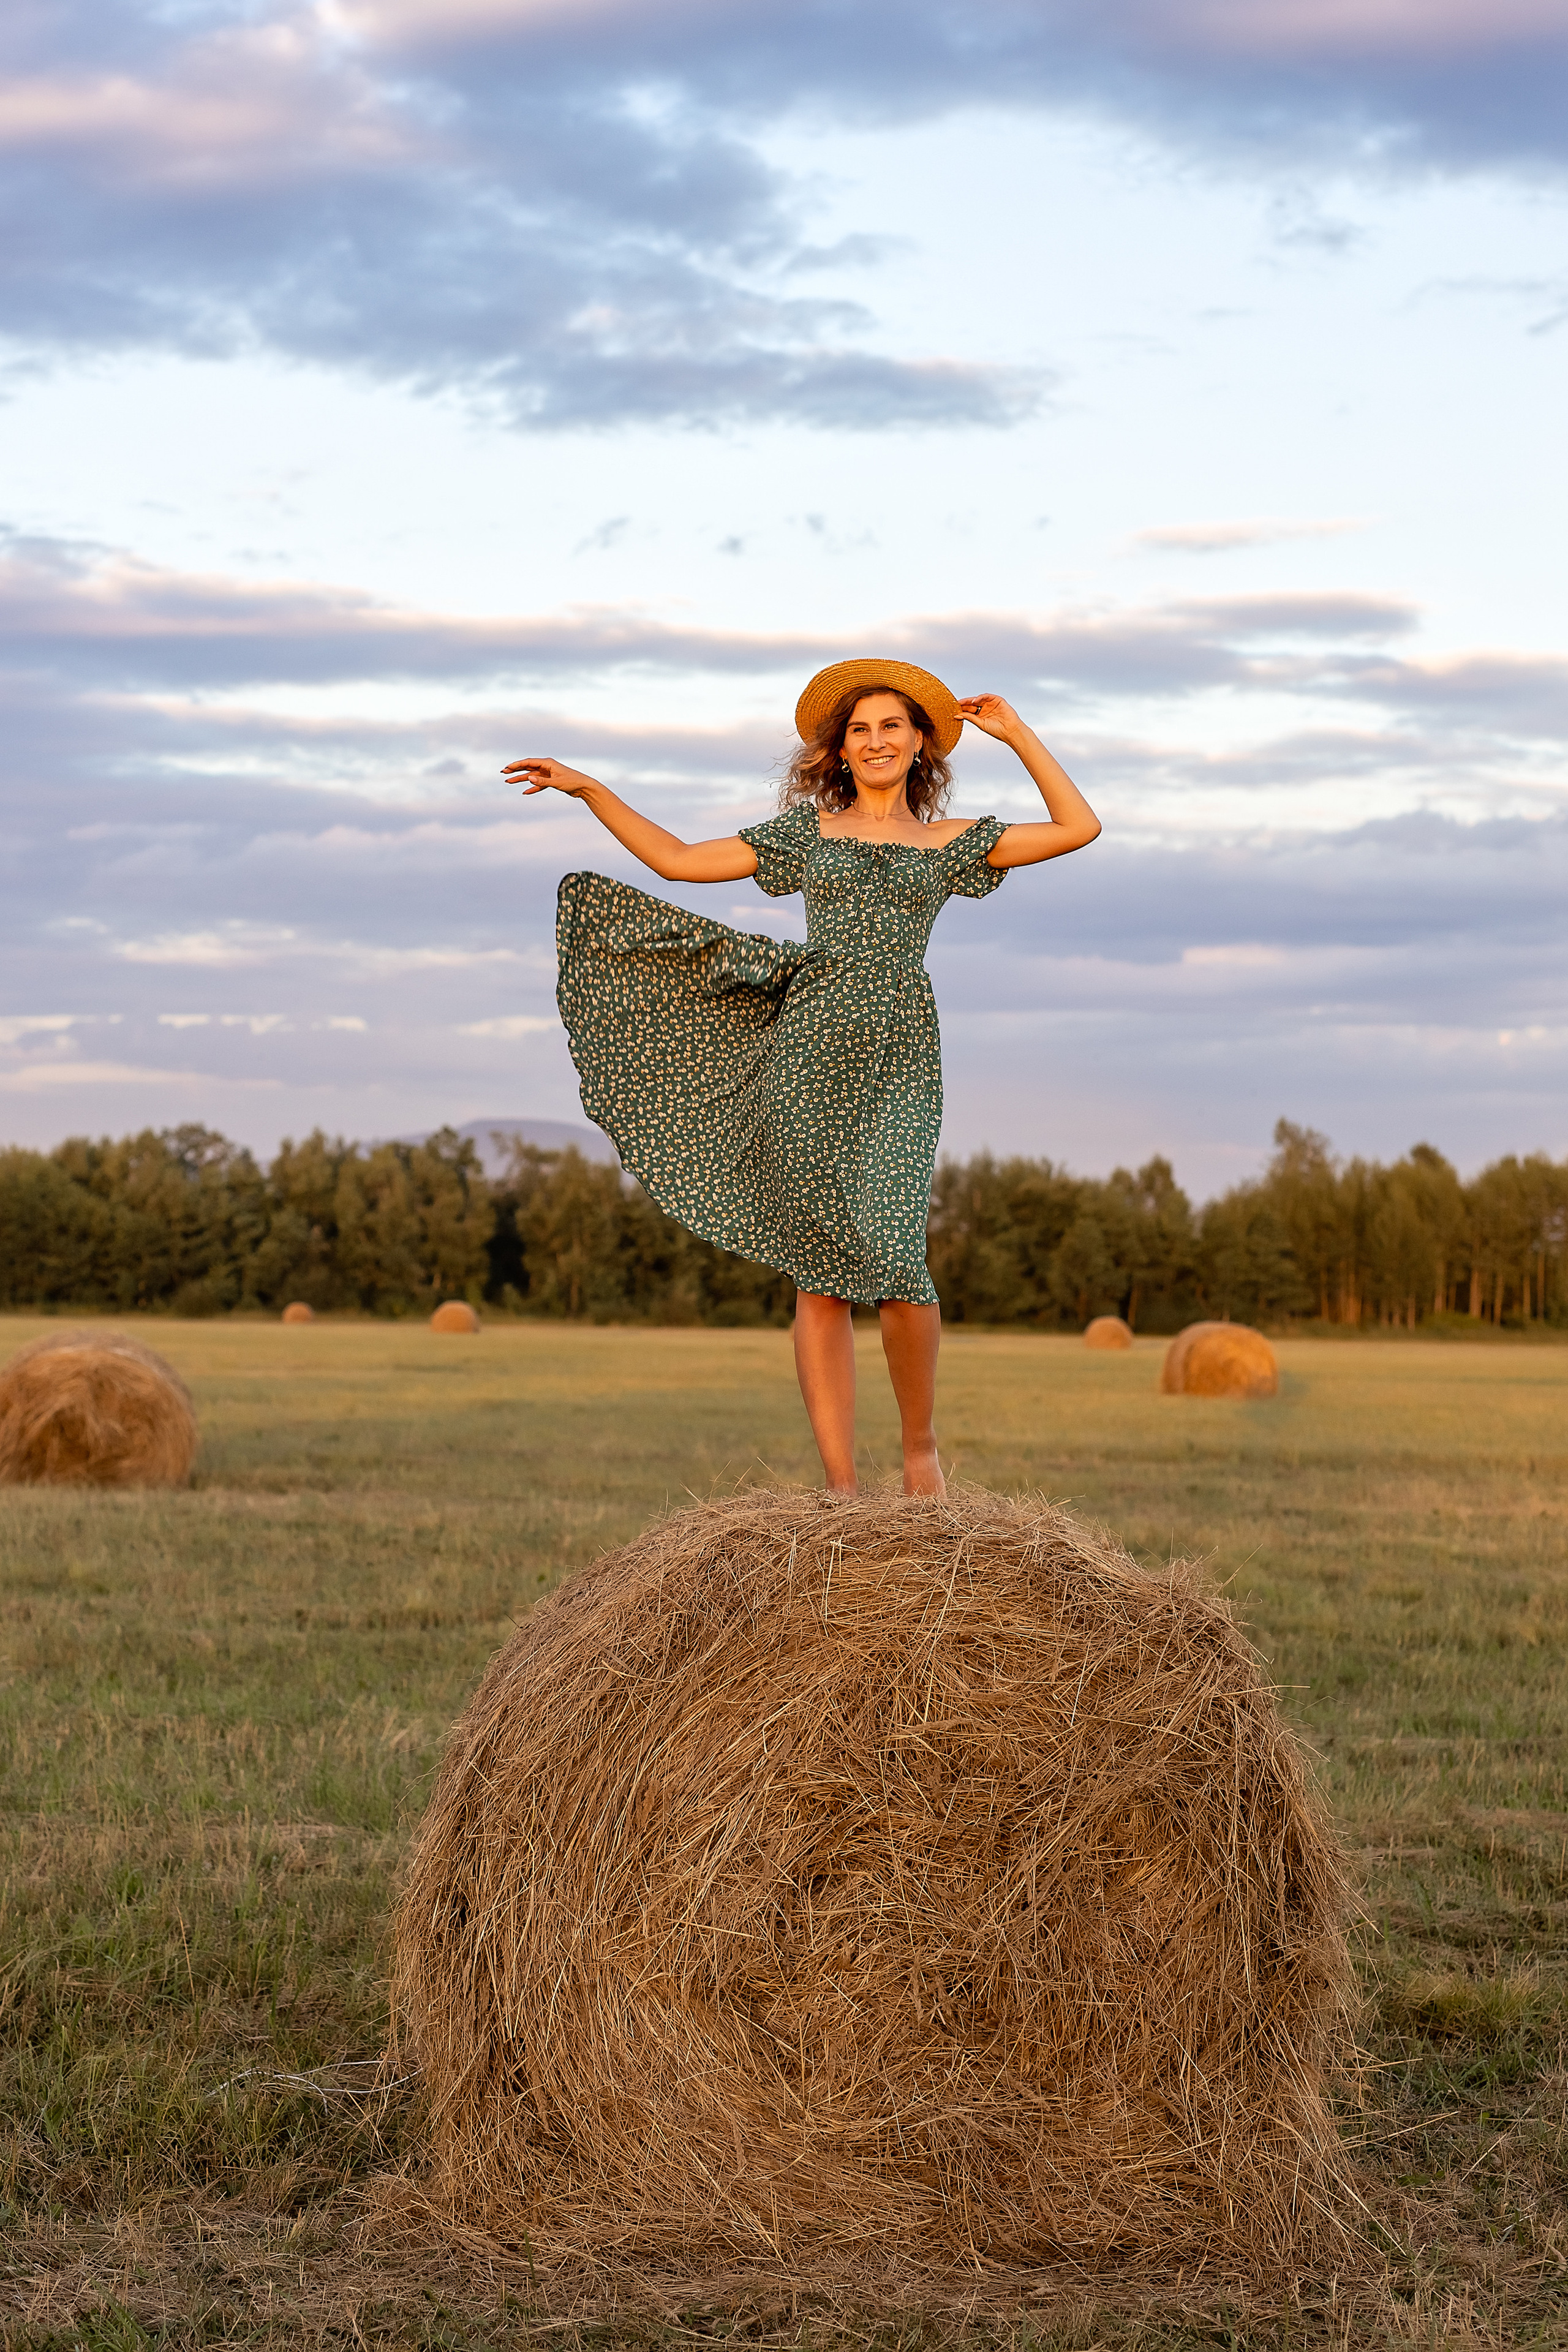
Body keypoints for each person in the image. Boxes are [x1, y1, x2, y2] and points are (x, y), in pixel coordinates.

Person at [503, 657, 1100, 1498]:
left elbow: (1079, 828)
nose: (876, 740)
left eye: (893, 725)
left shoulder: (951, 842)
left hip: (900, 1058)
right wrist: (590, 790)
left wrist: (1019, 735)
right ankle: (841, 1490)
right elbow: (676, 862)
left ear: (921, 741)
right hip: (809, 1052)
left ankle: (920, 1450)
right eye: (860, 730)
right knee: (819, 1275)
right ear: (841, 751)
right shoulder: (807, 834)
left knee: (897, 1259)